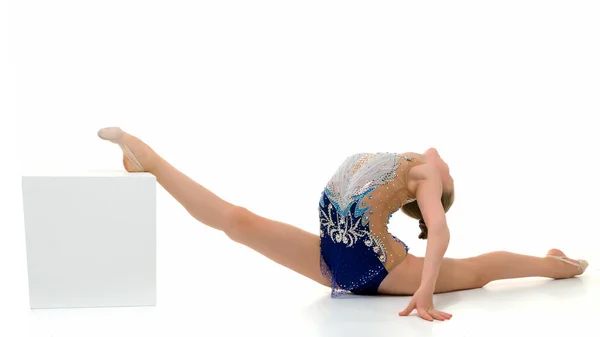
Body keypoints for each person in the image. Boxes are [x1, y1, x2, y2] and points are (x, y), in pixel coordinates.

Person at [97, 127, 588, 322]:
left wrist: (426, 291)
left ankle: (560, 267)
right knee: (238, 221)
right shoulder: (417, 157)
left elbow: (439, 232)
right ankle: (151, 163)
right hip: (334, 259)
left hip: (381, 269)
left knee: (478, 271)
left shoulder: (428, 175)